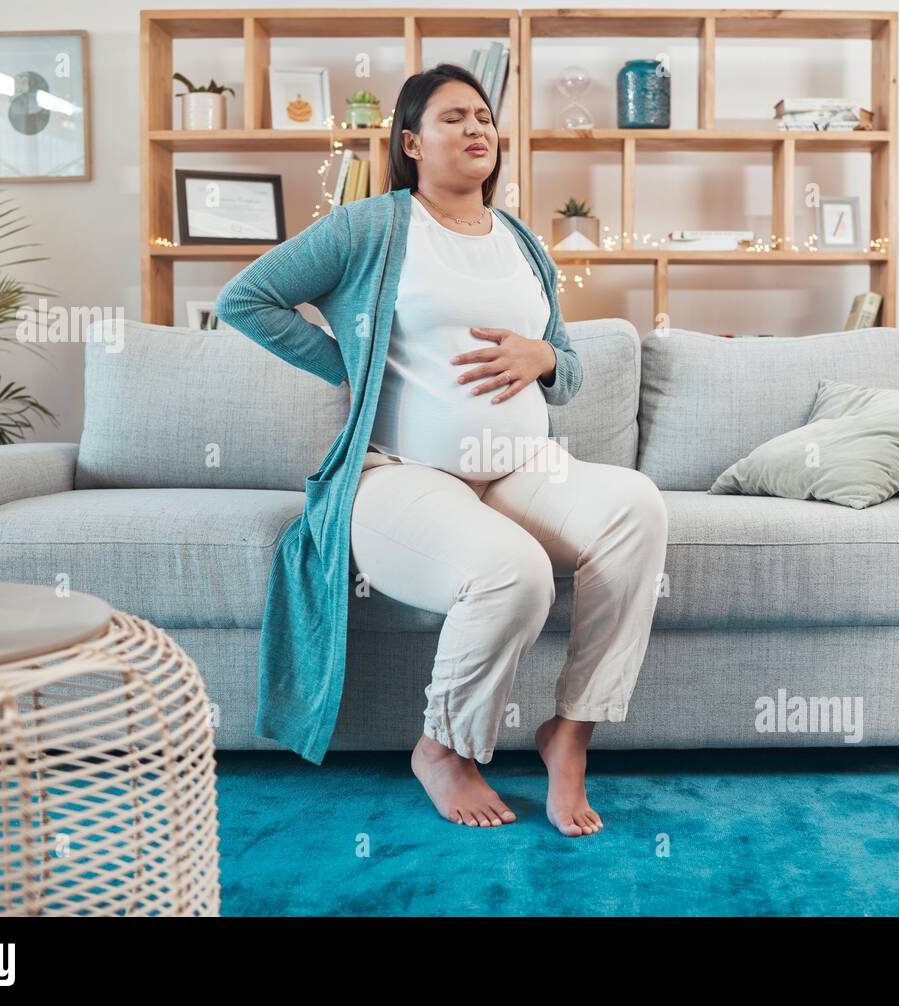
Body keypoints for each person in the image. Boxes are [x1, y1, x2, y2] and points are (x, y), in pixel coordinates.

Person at [220, 64, 668, 838]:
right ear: (411, 143)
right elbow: (246, 299)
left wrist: (548, 358)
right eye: (454, 117)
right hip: (404, 474)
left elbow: (566, 365)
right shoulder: (371, 227)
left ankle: (572, 731)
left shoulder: (523, 241)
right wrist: (347, 365)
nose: (476, 129)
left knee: (637, 506)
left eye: (485, 117)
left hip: (521, 471)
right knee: (514, 573)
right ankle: (443, 749)